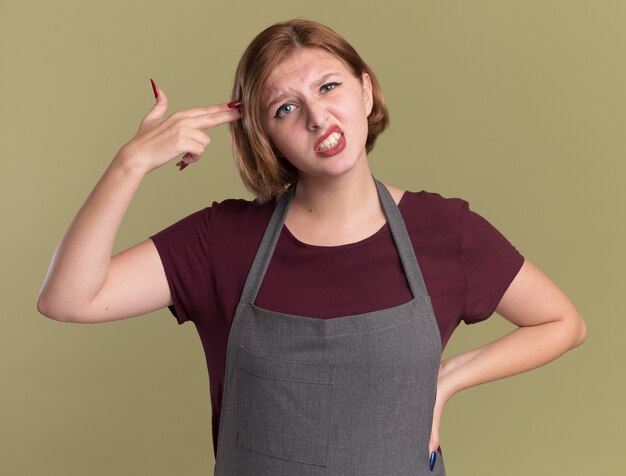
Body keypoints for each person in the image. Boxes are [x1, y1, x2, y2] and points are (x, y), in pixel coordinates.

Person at [37, 18, 586, 475]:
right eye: (285, 108)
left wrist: (446, 381)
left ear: (366, 92)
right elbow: (67, 299)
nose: (318, 117)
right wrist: (130, 162)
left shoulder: (445, 232)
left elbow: (563, 322)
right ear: (265, 136)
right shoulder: (222, 242)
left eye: (329, 87)